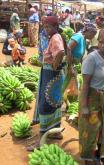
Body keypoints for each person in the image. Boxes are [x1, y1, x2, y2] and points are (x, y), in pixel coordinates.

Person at [79, 28, 104, 165]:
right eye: (100, 42)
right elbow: (85, 85)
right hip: (92, 98)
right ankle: (88, 160)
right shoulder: (92, 58)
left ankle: (98, 157)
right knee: (90, 130)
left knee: (102, 129)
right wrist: (84, 106)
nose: (102, 46)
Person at [27, 16, 66, 150]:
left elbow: (60, 51)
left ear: (55, 27)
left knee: (45, 103)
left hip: (51, 74)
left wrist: (55, 64)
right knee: (53, 102)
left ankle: (41, 140)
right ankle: (55, 132)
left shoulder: (55, 37)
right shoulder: (55, 36)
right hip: (52, 74)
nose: (46, 29)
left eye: (48, 27)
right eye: (44, 27)